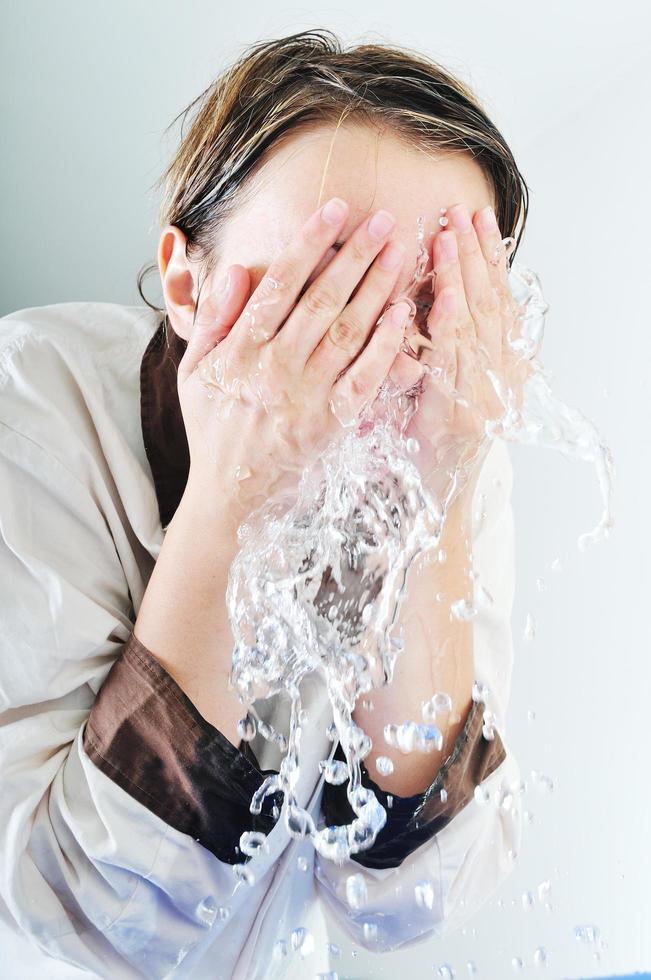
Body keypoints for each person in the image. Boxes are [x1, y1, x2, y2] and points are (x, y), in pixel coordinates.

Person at [0, 29, 528, 979]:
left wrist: (434, 507)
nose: (376, 365)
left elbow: (409, 901)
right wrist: (236, 493)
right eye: (323, 290)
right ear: (186, 284)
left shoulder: (448, 442)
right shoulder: (29, 409)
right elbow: (75, 912)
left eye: (435, 304)